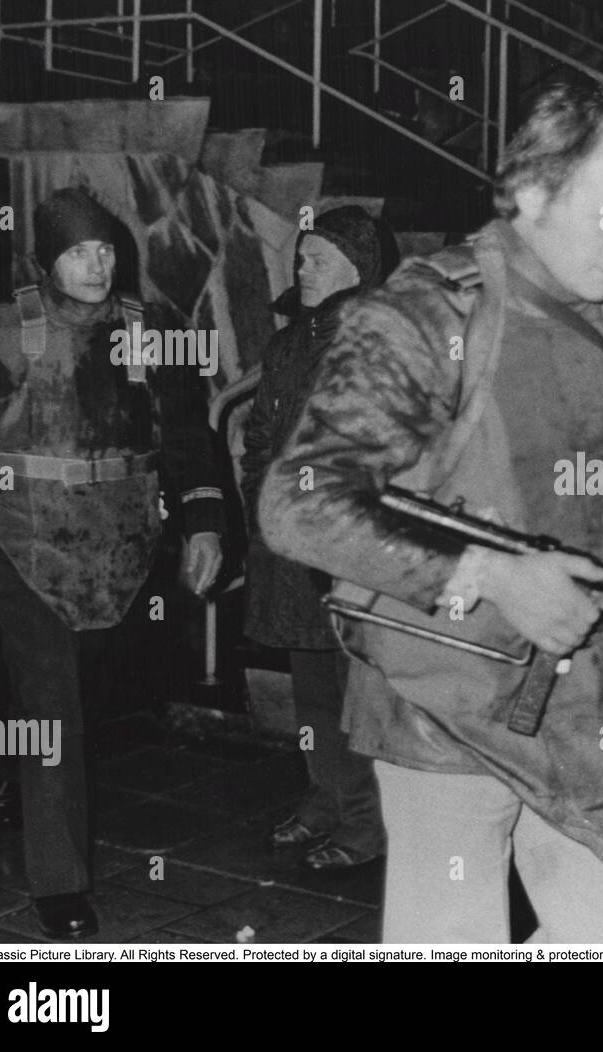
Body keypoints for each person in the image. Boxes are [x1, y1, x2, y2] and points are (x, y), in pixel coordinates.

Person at [258, 81, 603, 942]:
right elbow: (298, 502)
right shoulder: (425, 315)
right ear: (531, 193)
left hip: (579, 707)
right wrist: (486, 574)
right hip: (442, 708)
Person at [0, 187, 225, 938]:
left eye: (106, 249)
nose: (96, 265)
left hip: (118, 545)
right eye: (78, 252)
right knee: (53, 698)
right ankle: (60, 884)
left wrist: (204, 521)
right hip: (17, 537)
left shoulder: (156, 331)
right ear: (46, 261)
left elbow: (188, 435)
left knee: (80, 690)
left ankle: (13, 765)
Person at [239, 206, 392, 871]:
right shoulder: (287, 345)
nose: (302, 269)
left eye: (319, 260)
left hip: (350, 547)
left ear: (359, 270)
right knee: (312, 689)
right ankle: (324, 796)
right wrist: (263, 509)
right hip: (291, 545)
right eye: (301, 258)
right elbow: (259, 441)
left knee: (358, 689)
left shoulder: (380, 342)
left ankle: (366, 822)